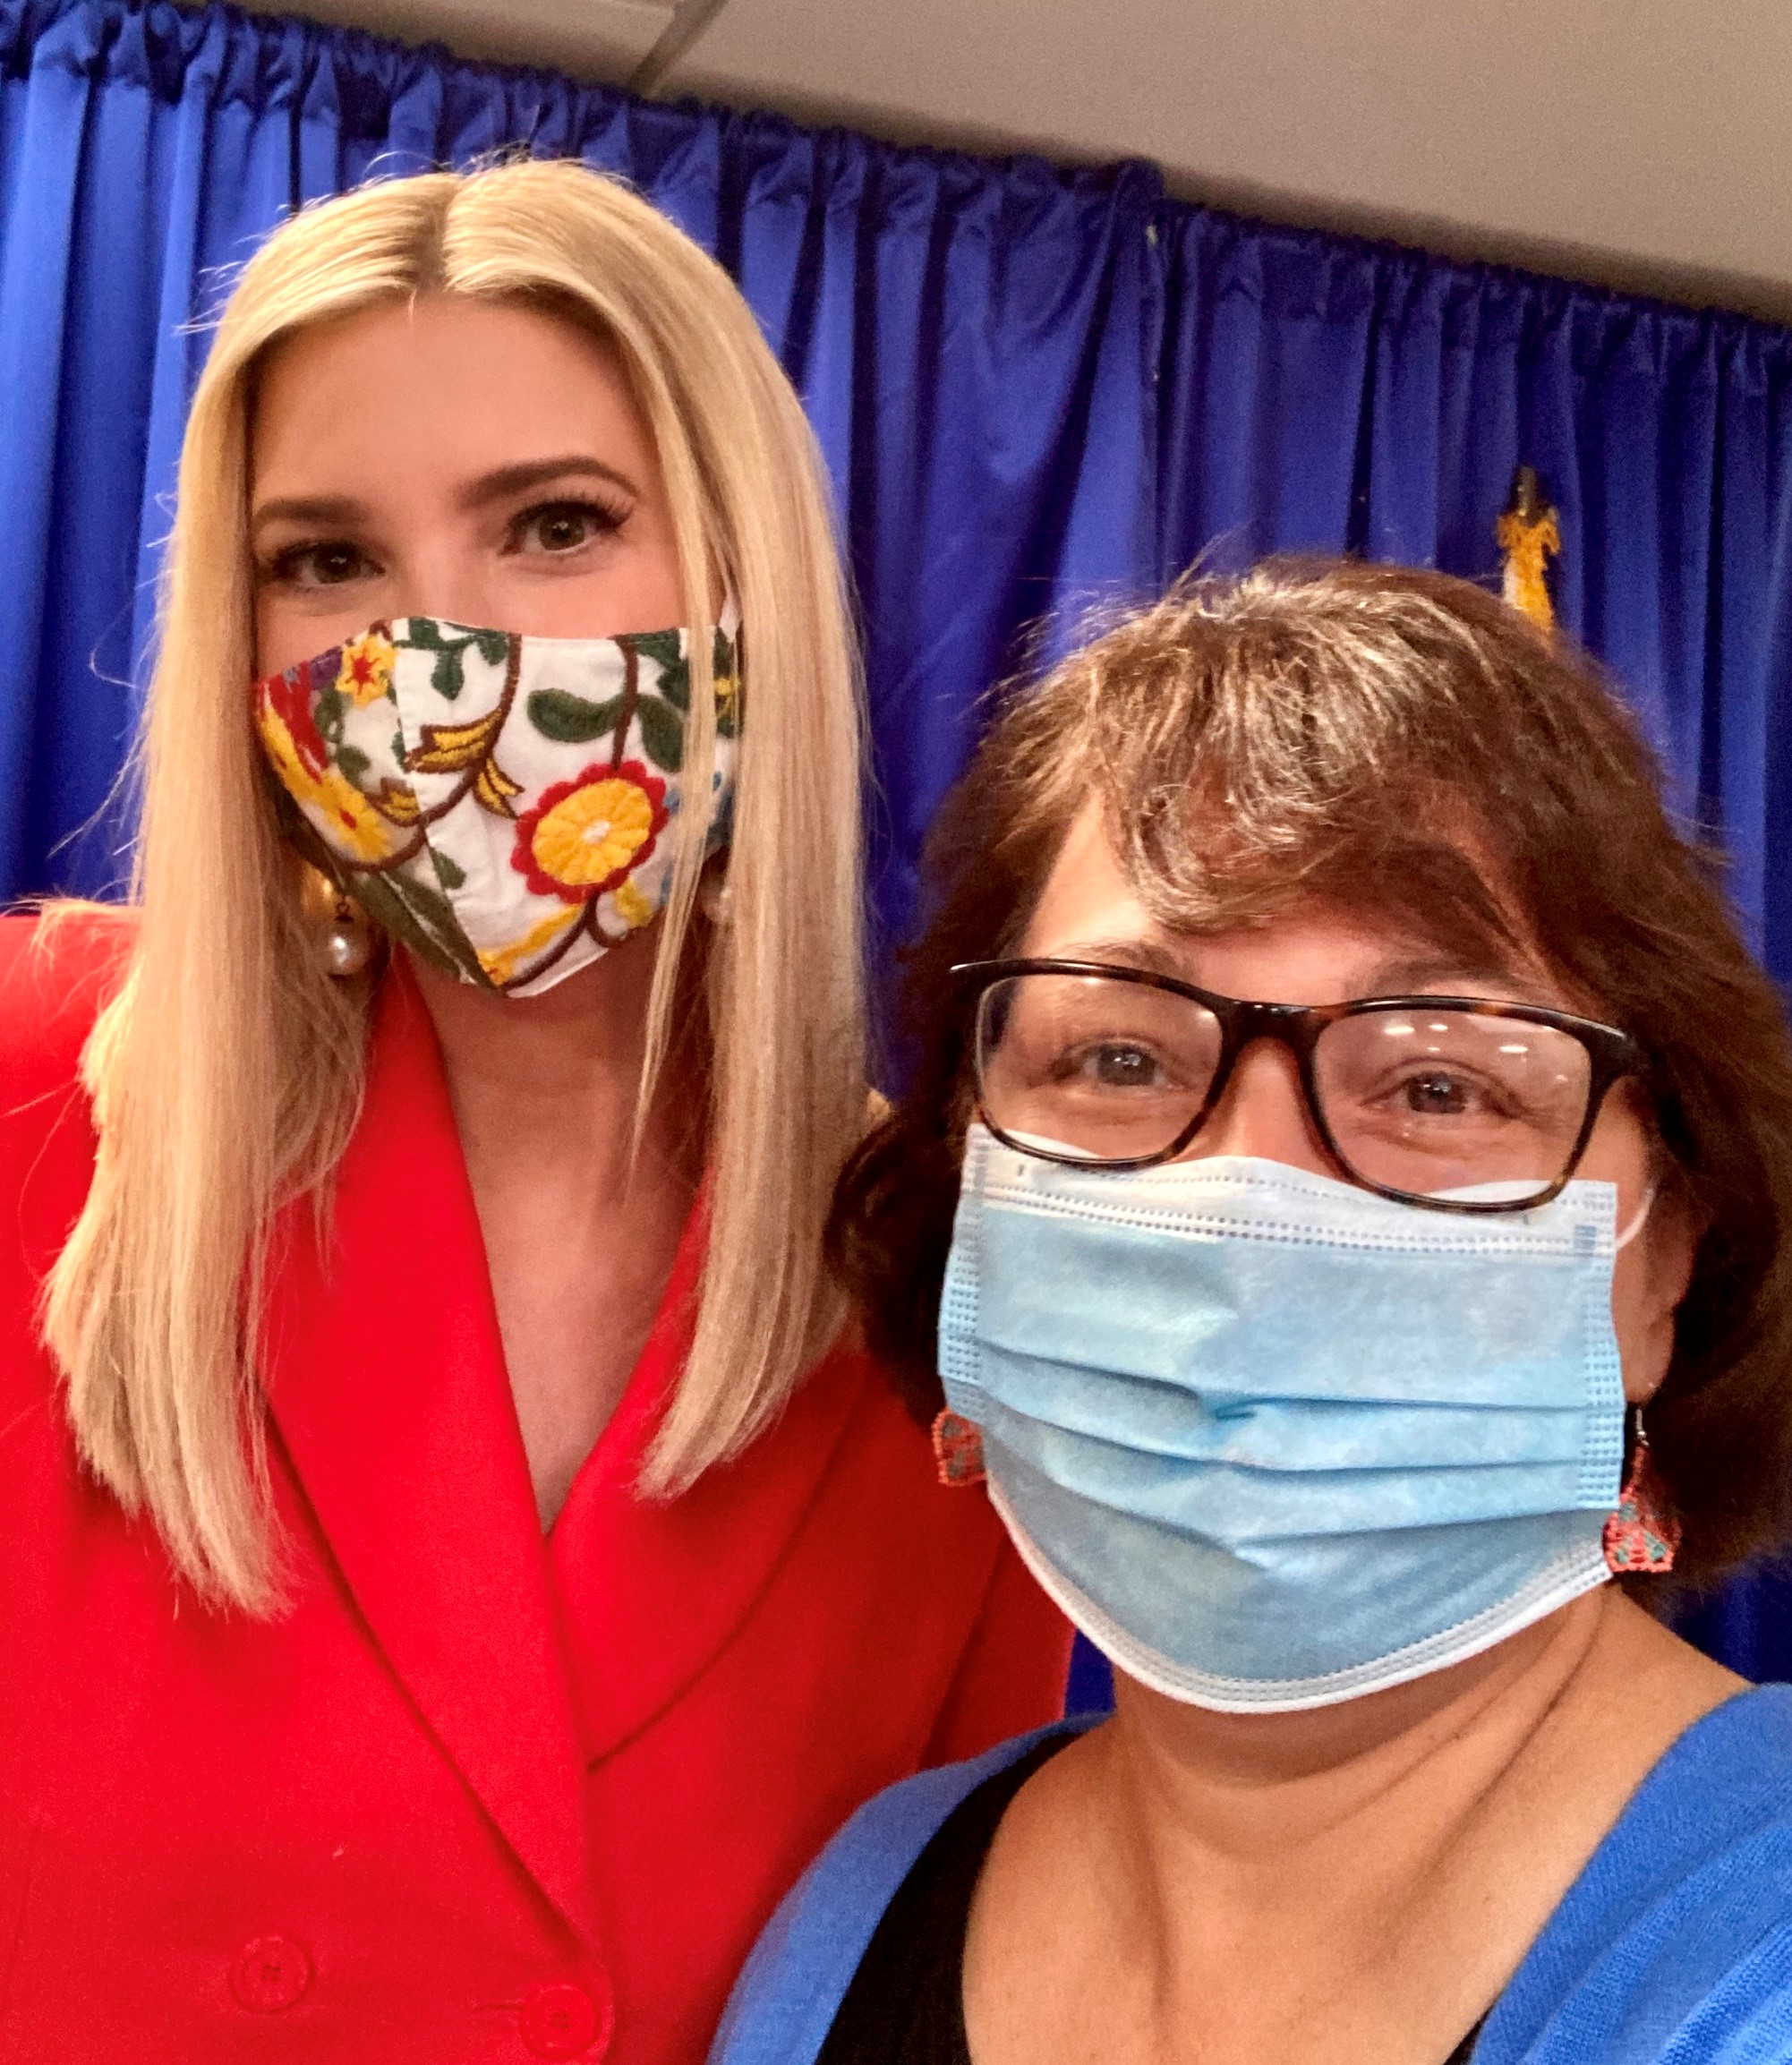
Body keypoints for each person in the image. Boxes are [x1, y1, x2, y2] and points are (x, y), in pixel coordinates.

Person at [0, 160, 1069, 2065]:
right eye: (327, 561)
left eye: (556, 526)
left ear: (743, 587)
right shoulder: (33, 1092)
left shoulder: (941, 1310)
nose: (435, 660)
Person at [712, 560, 1792, 2065]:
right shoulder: (865, 1900)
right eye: (1118, 1059)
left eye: (1437, 1085)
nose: (1245, 1204)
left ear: (1669, 1253)